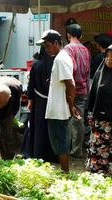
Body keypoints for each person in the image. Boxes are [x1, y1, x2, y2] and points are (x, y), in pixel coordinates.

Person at [40, 30, 79, 173]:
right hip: (58, 109)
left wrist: (71, 105)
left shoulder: (61, 59)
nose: (46, 48)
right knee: (59, 142)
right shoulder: (61, 57)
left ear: (56, 43)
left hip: (59, 110)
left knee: (61, 142)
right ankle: (64, 172)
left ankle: (65, 172)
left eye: (47, 45)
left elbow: (70, 84)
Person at [23, 45, 58, 162]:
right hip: (53, 100)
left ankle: (37, 153)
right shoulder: (56, 64)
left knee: (38, 126)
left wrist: (30, 100)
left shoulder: (36, 64)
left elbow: (31, 85)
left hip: (38, 101)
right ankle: (51, 155)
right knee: (51, 126)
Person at [64, 24, 91, 158]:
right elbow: (87, 72)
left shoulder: (68, 49)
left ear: (68, 34)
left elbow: (70, 71)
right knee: (79, 120)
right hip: (83, 90)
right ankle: (77, 150)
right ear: (81, 36)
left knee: (68, 118)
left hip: (71, 89)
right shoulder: (86, 50)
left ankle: (66, 149)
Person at [86, 45, 112, 175]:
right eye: (107, 56)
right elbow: (92, 96)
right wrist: (90, 114)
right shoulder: (99, 73)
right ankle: (97, 171)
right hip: (99, 120)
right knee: (98, 145)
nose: (109, 59)